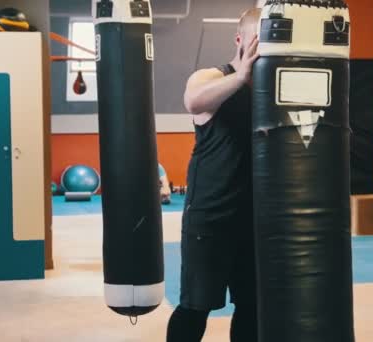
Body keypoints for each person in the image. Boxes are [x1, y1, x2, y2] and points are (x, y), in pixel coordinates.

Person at [166, 8, 261, 342]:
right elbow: (192, 101)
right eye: (259, 40)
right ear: (240, 40)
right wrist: (240, 77)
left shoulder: (273, 91)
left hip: (256, 220)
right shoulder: (210, 77)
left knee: (253, 306)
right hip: (211, 217)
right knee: (196, 307)